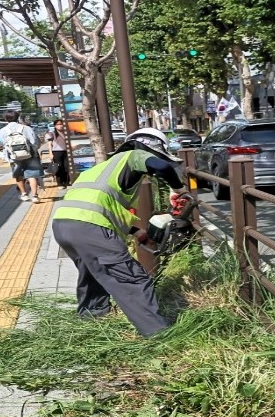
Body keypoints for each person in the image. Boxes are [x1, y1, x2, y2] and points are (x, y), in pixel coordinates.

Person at [50, 127, 184, 338]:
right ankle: (158, 335)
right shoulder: (134, 155)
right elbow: (161, 167)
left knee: (92, 272)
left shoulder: (103, 168)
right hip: (89, 228)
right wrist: (178, 189)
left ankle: (92, 317)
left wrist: (136, 232)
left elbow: (101, 206)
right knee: (131, 279)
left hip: (63, 225)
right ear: (150, 147)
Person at [0, 110, 43, 203]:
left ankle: (24, 194)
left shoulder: (2, 131)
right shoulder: (26, 128)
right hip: (29, 155)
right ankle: (35, 196)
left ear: (6, 119)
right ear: (17, 117)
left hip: (14, 157)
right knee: (32, 175)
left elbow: (3, 144)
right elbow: (35, 142)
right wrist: (33, 151)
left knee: (18, 175)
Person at [47, 119, 71, 189]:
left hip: (66, 151)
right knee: (59, 167)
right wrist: (50, 153)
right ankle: (60, 183)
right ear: (55, 126)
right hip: (56, 152)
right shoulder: (52, 133)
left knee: (66, 167)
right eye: (58, 124)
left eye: (61, 124)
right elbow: (49, 144)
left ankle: (67, 182)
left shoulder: (66, 132)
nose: (60, 126)